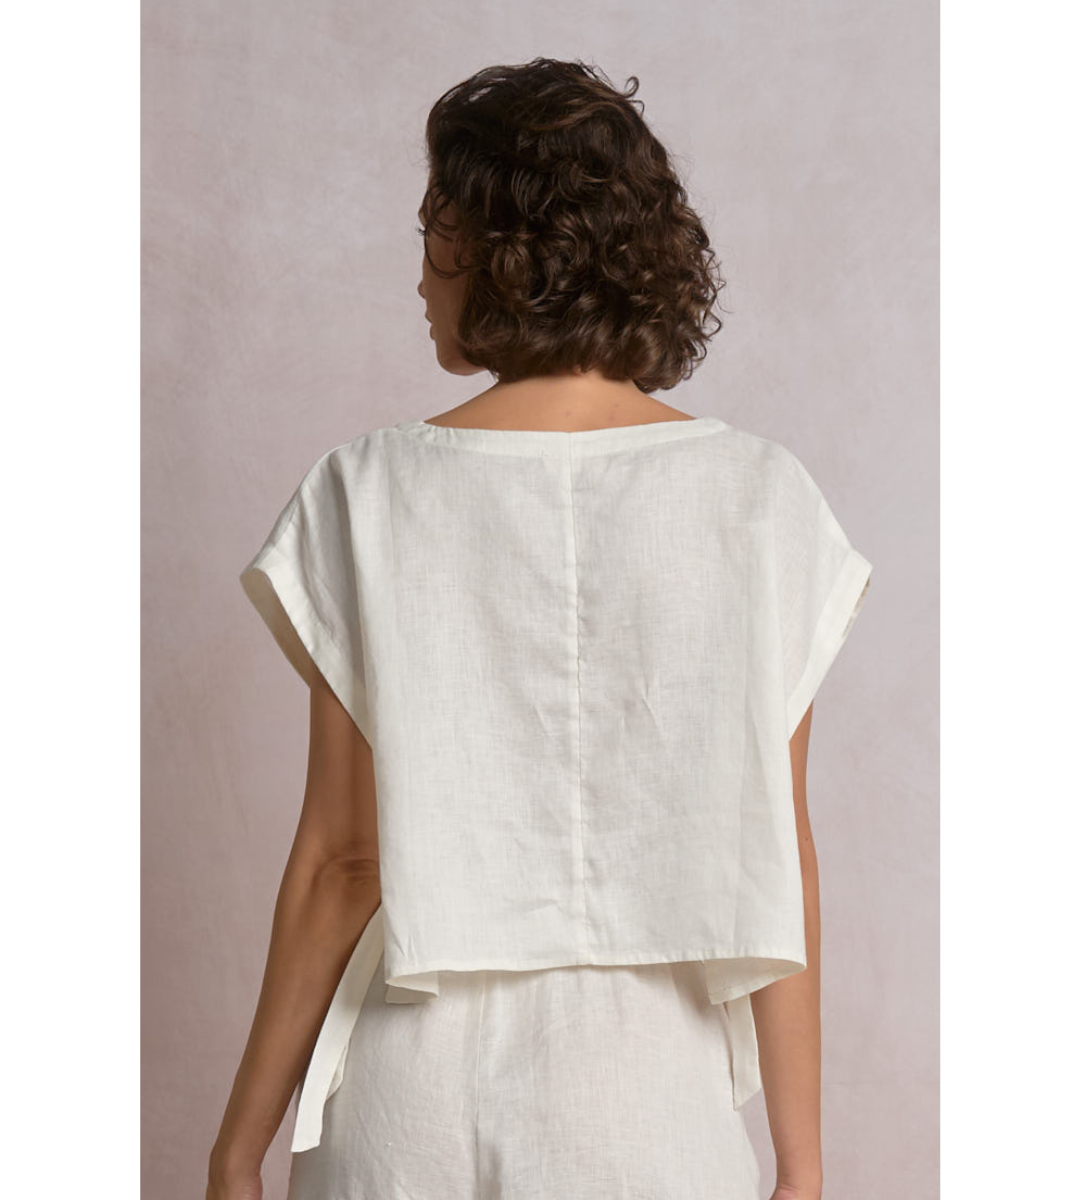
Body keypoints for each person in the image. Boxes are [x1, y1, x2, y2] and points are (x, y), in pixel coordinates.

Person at [207, 58, 872, 1200]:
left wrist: (238, 1147)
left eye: (436, 232)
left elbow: (343, 862)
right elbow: (782, 856)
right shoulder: (763, 500)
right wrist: (802, 1166)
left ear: (499, 249)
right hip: (651, 1108)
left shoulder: (367, 492)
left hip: (405, 1100)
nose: (420, 275)